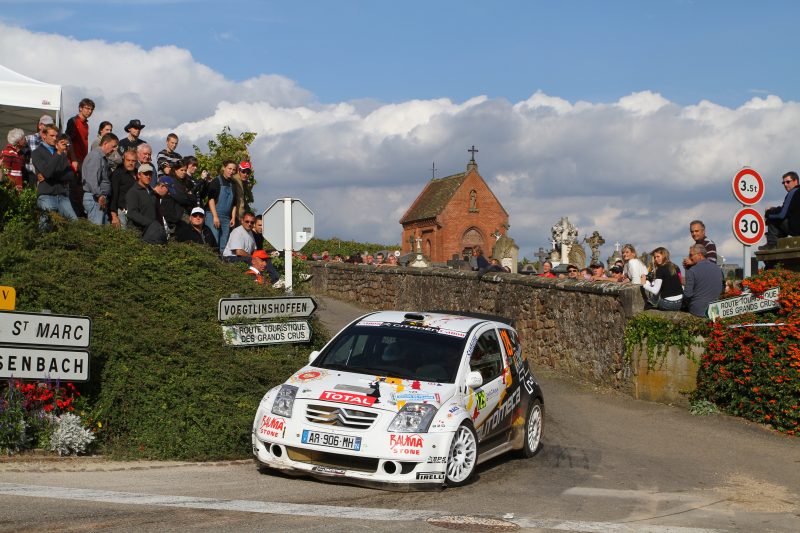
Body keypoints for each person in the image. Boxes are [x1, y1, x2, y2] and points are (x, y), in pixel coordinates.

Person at [31, 125, 77, 223]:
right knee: (45, 226)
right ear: (44, 136)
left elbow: (70, 175)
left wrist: (51, 175)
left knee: (74, 223)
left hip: (62, 195)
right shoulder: (37, 153)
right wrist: (58, 153)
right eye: (52, 136)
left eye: (56, 136)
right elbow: (47, 172)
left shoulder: (61, 153)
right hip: (46, 195)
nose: (55, 138)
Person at [81, 132, 119, 225]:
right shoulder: (96, 156)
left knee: (102, 231)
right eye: (113, 146)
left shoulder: (101, 157)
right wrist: (99, 195)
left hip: (98, 199)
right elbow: (92, 179)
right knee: (96, 231)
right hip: (95, 199)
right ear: (105, 143)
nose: (114, 149)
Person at [125, 163, 166, 244]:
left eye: (150, 174)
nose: (148, 176)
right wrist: (150, 223)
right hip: (137, 233)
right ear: (139, 175)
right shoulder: (133, 192)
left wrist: (160, 228)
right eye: (145, 174)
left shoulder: (152, 192)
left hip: (153, 232)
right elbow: (132, 213)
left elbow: (157, 212)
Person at [205, 160, 239, 254]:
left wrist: (233, 218)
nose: (231, 171)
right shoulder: (216, 181)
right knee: (213, 242)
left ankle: (223, 261)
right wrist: (215, 216)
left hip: (226, 217)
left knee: (224, 243)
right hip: (213, 215)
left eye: (233, 170)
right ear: (224, 168)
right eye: (229, 168)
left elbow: (234, 203)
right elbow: (211, 200)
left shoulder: (233, 184)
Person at [761, 171, 800, 249]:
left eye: (788, 182)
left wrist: (768, 213)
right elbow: (788, 210)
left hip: (796, 229)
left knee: (773, 216)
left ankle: (772, 244)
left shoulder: (793, 192)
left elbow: (782, 214)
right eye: (783, 183)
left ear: (795, 181)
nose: (785, 184)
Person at [683, 244, 724, 317]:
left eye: (691, 255)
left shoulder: (692, 270)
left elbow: (687, 294)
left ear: (699, 255)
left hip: (698, 310)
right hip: (715, 309)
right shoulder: (718, 269)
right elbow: (722, 289)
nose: (689, 258)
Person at [109, 149, 138, 228]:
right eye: (128, 160)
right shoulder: (117, 173)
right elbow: (113, 195)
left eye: (133, 161)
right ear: (124, 160)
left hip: (135, 212)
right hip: (121, 211)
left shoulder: (138, 173)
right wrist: (114, 215)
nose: (130, 163)